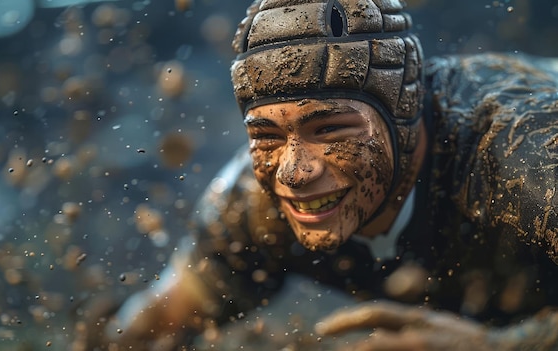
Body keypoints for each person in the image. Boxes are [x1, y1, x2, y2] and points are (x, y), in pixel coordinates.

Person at [78, 0, 558, 350]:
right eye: (266, 136)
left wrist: (507, 347)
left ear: (406, 112)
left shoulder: (521, 153)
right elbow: (157, 321)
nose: (293, 171)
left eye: (329, 129)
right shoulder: (252, 201)